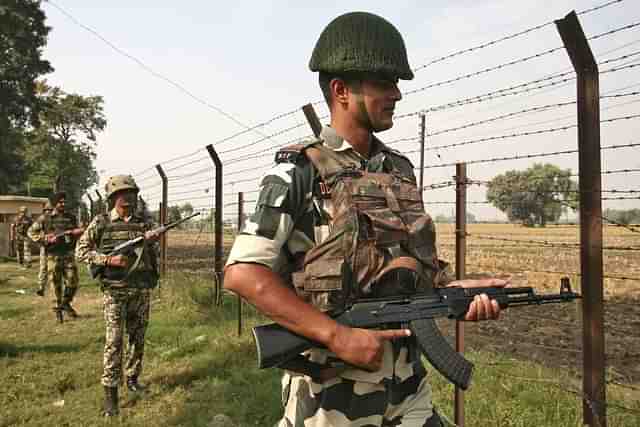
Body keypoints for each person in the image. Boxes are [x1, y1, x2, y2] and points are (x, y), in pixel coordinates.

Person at [224, 12, 509, 427]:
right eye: (383, 83)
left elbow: (410, 271)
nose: (396, 93)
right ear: (341, 90)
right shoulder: (296, 173)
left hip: (409, 389)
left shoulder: (399, 169)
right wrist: (337, 335)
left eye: (396, 83)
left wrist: (454, 292)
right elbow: (243, 274)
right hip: (332, 399)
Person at [75, 175, 160, 417]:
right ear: (113, 198)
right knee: (114, 342)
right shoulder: (101, 222)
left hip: (141, 289)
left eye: (131, 192)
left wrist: (152, 241)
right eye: (123, 193)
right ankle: (110, 393)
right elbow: (81, 250)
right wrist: (107, 259)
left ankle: (132, 379)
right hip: (115, 291)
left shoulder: (145, 221)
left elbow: (152, 252)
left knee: (138, 338)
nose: (128, 197)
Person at [28, 192, 84, 320]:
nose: (63, 204)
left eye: (64, 202)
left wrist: (77, 232)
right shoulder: (45, 218)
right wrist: (44, 239)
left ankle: (65, 304)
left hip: (68, 254)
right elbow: (31, 231)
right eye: (60, 202)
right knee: (55, 283)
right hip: (53, 255)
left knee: (73, 281)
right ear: (54, 204)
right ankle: (58, 309)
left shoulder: (71, 217)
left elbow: (77, 231)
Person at [29, 201, 53, 296]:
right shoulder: (42, 219)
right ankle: (41, 287)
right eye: (47, 210)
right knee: (43, 268)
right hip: (46, 247)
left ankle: (56, 289)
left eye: (50, 210)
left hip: (58, 248)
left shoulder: (60, 219)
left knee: (55, 269)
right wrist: (41, 239)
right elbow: (30, 232)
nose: (49, 212)